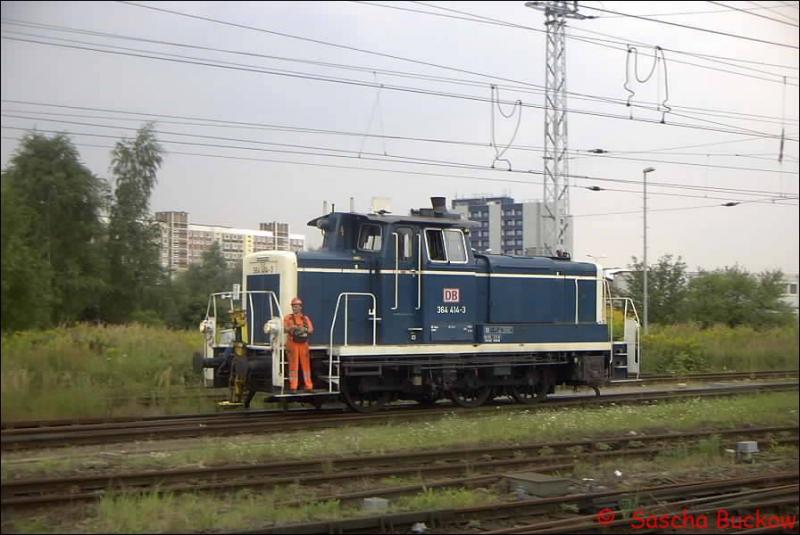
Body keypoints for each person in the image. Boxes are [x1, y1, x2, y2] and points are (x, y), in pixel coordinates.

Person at [283, 297, 314, 392]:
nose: (295, 308)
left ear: (301, 307)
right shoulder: (288, 318)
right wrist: (292, 328)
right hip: (292, 344)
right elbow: (284, 329)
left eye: (297, 306)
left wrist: (303, 329)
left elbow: (311, 330)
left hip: (303, 344)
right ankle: (293, 386)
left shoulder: (305, 318)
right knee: (293, 365)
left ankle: (309, 386)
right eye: (294, 306)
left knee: (306, 366)